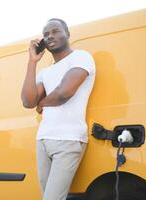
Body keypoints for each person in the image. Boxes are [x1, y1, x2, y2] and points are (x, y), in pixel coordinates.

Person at [21, 18, 96, 200]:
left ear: (67, 33)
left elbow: (64, 93)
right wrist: (32, 62)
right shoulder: (45, 72)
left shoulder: (81, 57)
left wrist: (42, 103)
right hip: (43, 140)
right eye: (46, 34)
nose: (50, 36)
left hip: (68, 139)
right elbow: (28, 101)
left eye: (55, 31)